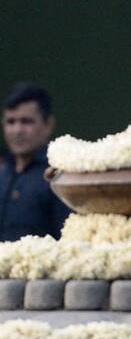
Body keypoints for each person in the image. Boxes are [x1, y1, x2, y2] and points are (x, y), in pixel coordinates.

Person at [0, 82, 71, 240]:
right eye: (11, 122)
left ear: (48, 125)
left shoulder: (60, 177)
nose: (17, 130)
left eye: (26, 121)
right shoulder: (2, 173)